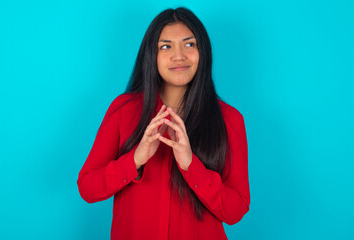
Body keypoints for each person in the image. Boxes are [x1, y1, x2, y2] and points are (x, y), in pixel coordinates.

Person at [77, 7, 250, 240]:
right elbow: (88, 188)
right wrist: (135, 159)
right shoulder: (124, 109)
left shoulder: (229, 119)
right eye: (165, 46)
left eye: (189, 44)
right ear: (152, 55)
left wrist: (191, 166)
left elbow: (236, 210)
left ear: (203, 51)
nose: (179, 56)